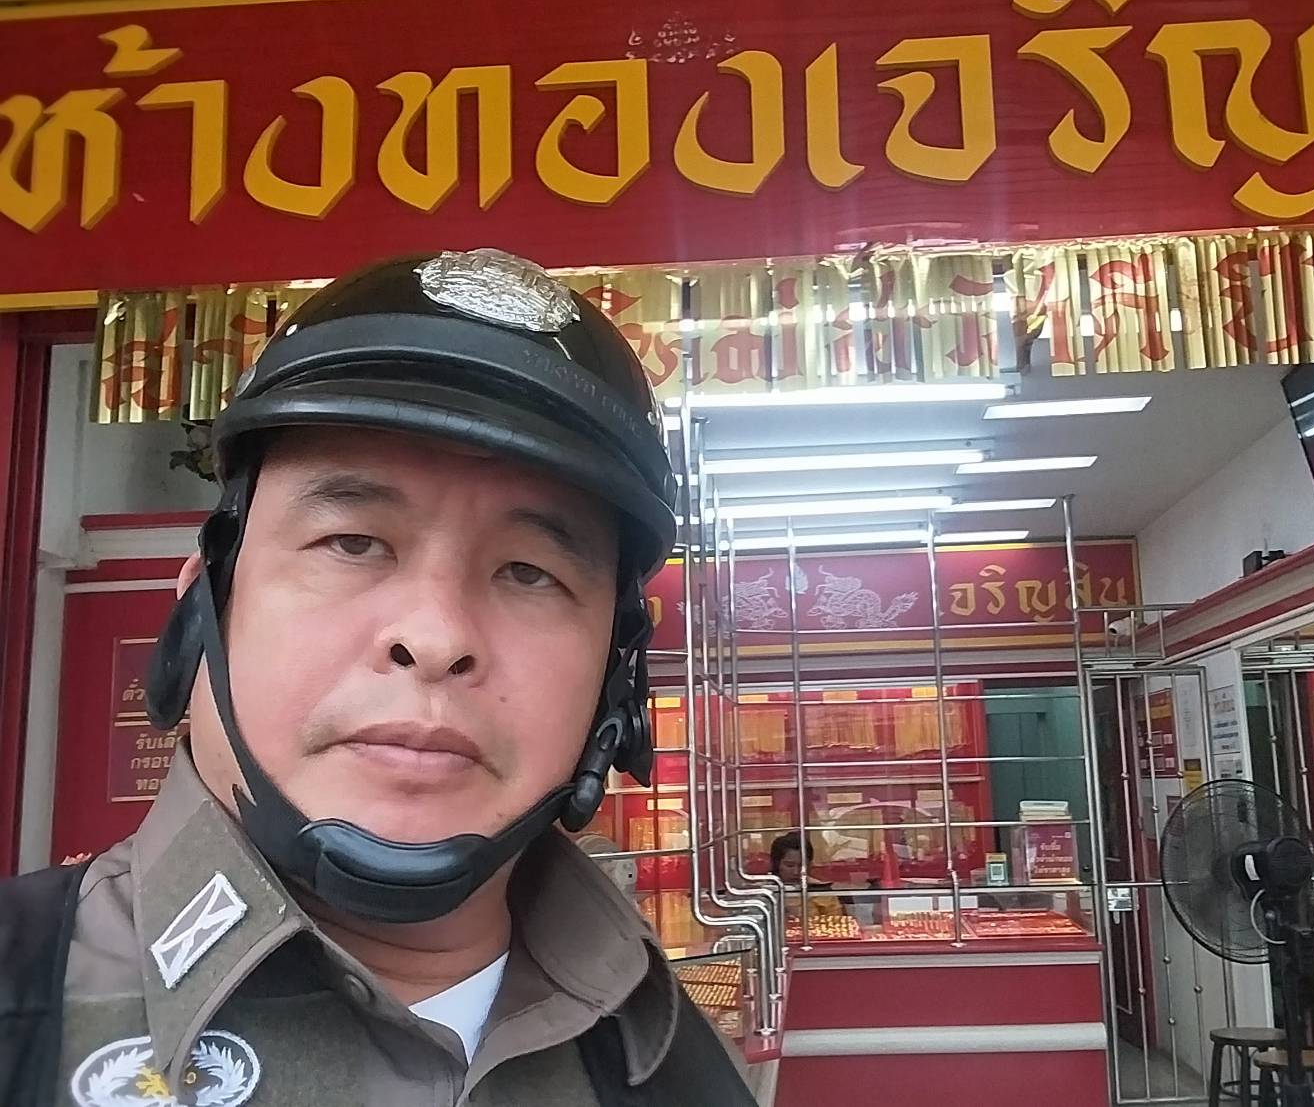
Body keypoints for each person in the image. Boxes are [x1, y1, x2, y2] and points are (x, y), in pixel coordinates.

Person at [0, 249, 757, 1106]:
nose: (435, 638)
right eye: (352, 542)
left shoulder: (679, 1070)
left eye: (528, 571)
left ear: (615, 681)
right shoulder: (20, 1000)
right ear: (200, 608)